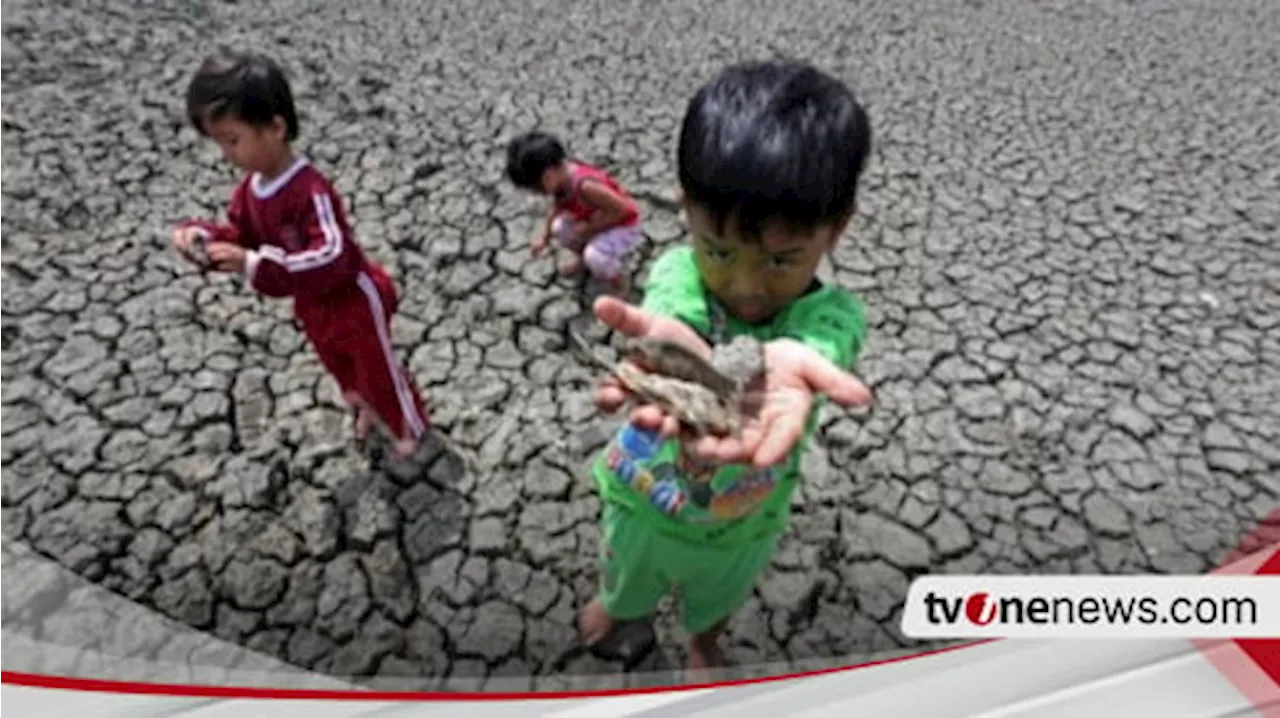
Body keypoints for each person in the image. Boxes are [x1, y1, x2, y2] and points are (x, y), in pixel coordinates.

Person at [578, 59, 876, 676]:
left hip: (742, 523)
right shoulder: (678, 274)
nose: (745, 286)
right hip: (643, 500)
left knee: (718, 597)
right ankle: (619, 608)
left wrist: (792, 360)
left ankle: (702, 638)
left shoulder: (831, 316)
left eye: (780, 260)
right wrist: (680, 352)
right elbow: (668, 308)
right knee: (626, 578)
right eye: (717, 249)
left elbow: (826, 343)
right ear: (685, 209)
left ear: (836, 229)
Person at [170, 49, 430, 459]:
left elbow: (333, 255)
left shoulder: (310, 189)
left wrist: (256, 265)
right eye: (219, 142)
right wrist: (200, 236)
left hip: (354, 300)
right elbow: (241, 237)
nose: (226, 153)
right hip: (312, 305)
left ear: (275, 127)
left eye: (233, 140)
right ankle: (368, 409)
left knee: (377, 370)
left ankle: (407, 426)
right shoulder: (249, 192)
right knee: (341, 368)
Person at [505, 131, 643, 291]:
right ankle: (582, 260)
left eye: (536, 189)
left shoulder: (585, 186)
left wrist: (590, 228)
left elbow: (623, 210)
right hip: (595, 221)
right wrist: (545, 238)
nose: (537, 194)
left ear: (548, 176)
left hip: (625, 227)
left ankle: (620, 283)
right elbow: (555, 210)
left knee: (595, 257)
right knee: (560, 228)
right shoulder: (559, 184)